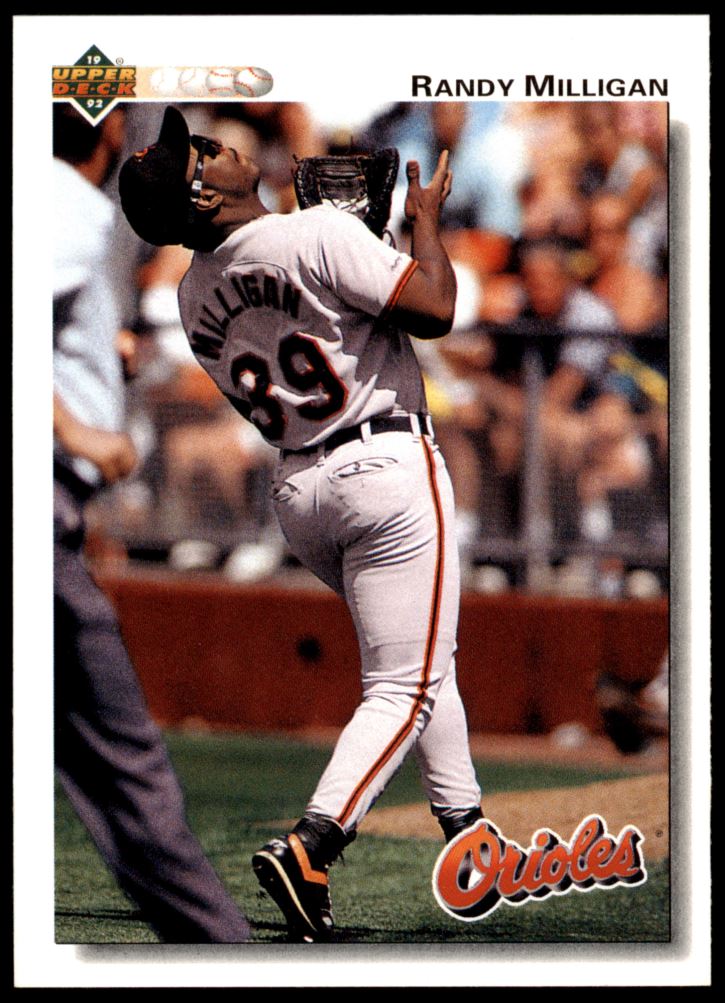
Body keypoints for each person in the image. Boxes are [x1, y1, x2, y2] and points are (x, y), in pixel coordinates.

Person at [118, 105, 483, 943]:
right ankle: (313, 843)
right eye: (202, 151)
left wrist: (351, 250)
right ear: (202, 195)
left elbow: (303, 310)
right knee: (404, 684)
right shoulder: (316, 230)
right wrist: (421, 226)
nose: (218, 145)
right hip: (382, 462)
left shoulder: (189, 292)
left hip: (300, 491)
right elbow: (433, 309)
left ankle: (468, 833)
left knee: (419, 660)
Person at [53, 103, 251, 943]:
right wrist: (76, 429)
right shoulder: (66, 201)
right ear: (107, 131)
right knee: (127, 765)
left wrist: (93, 358)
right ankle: (222, 954)